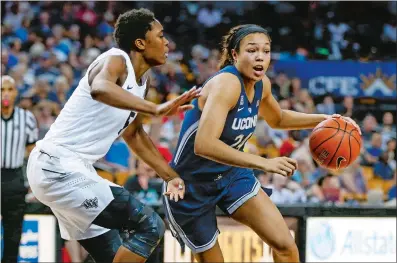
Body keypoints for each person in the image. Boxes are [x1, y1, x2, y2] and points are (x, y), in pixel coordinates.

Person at [163, 24, 361, 263]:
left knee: (285, 246)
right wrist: (264, 163)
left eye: (266, 51)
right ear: (235, 55)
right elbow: (204, 144)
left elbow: (277, 118)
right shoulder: (226, 84)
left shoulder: (261, 84)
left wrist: (327, 119)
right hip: (190, 185)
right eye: (252, 50)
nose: (260, 57)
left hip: (231, 175)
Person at [26, 8, 200, 263]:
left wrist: (170, 176)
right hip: (58, 165)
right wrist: (155, 108)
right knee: (150, 226)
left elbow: (134, 134)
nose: (167, 43)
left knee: (116, 254)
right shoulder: (116, 59)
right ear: (140, 43)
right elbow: (99, 88)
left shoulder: (143, 83)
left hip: (72, 172)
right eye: (160, 36)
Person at [1, 75, 38, 262]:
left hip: (15, 179)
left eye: (9, 89)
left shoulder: (27, 119)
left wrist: (34, 182)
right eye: (2, 90)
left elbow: (33, 154)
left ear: (15, 92)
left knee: (13, 232)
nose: (5, 94)